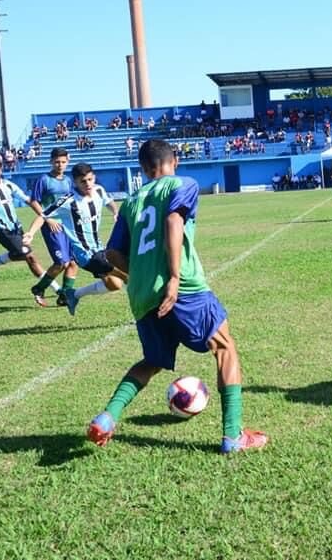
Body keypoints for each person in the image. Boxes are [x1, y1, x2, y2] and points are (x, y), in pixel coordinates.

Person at [86, 139, 268, 454]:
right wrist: (172, 277)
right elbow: (173, 220)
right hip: (182, 287)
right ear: (175, 161)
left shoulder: (130, 202)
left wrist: (142, 275)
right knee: (225, 347)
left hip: (142, 295)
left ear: (143, 169)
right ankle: (232, 436)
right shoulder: (183, 184)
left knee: (153, 361)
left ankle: (106, 417)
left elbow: (112, 253)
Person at [23, 163, 125, 316]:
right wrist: (31, 233)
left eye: (90, 179)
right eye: (83, 181)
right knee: (127, 275)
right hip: (85, 254)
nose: (88, 184)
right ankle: (150, 305)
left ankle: (73, 294)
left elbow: (109, 202)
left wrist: (115, 212)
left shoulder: (99, 190)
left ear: (94, 178)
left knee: (115, 285)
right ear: (75, 182)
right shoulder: (68, 200)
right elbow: (43, 215)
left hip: (100, 249)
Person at [29, 148, 77, 307]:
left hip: (68, 225)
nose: (60, 165)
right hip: (51, 225)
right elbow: (34, 201)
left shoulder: (68, 180)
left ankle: (64, 296)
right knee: (61, 263)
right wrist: (47, 218)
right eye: (57, 162)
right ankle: (39, 288)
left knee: (73, 263)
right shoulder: (43, 180)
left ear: (67, 162)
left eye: (63, 162)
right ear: (51, 162)